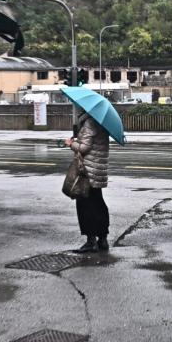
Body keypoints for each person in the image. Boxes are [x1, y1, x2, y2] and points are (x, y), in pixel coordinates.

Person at [66, 103, 110, 252]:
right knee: (98, 204)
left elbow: (84, 148)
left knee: (85, 205)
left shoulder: (89, 123)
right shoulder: (102, 123)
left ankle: (91, 241)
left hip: (88, 172)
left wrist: (71, 144)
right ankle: (102, 239)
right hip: (98, 171)